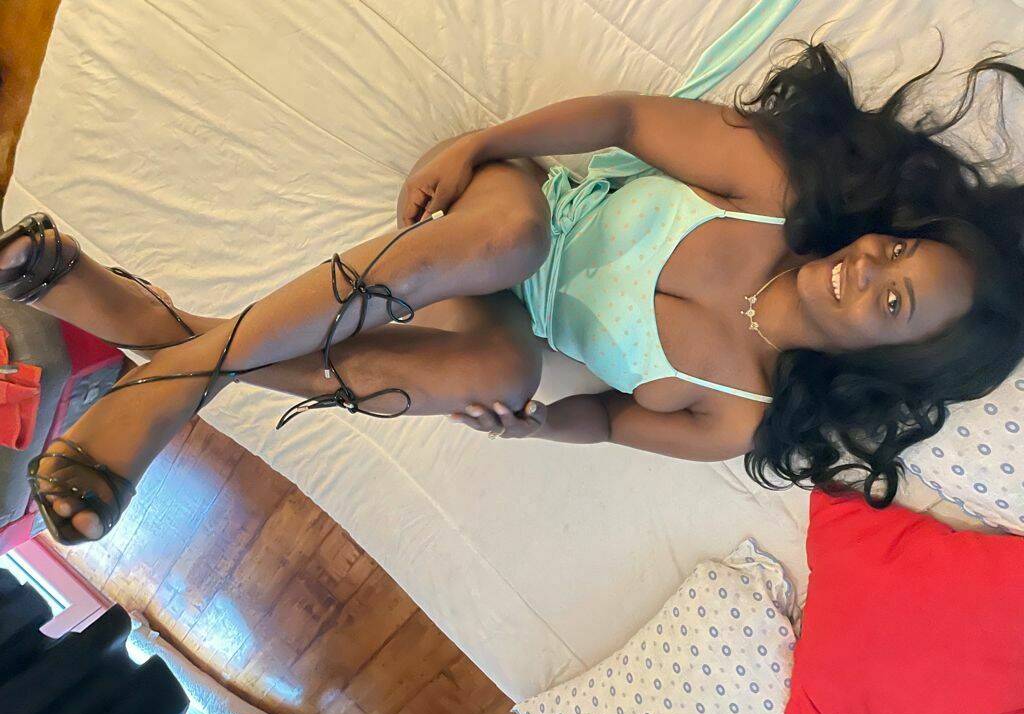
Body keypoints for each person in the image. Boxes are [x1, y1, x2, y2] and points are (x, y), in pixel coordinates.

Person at [2, 38, 1022, 544]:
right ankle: (163, 379)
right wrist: (484, 142)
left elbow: (610, 421)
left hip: (509, 311)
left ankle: (155, 338)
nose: (869, 268)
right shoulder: (777, 195)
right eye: (897, 250)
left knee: (498, 375)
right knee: (512, 237)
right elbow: (625, 118)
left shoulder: (734, 417)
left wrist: (535, 428)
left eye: (893, 303)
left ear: (887, 362)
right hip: (517, 208)